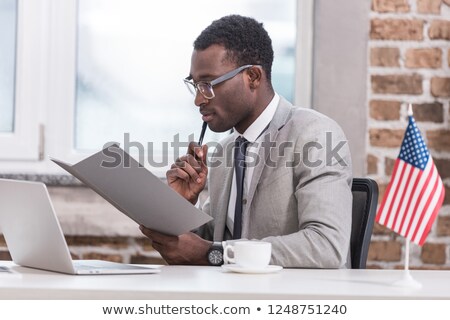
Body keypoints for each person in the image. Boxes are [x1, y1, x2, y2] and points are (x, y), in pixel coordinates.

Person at [140, 14, 353, 268]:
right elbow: (209, 245)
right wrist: (178, 209)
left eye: (208, 84)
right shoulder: (225, 151)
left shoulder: (315, 135)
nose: (198, 100)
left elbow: (326, 246)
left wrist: (214, 253)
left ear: (252, 76)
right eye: (195, 85)